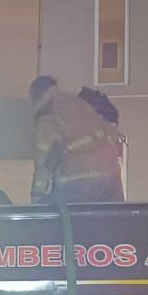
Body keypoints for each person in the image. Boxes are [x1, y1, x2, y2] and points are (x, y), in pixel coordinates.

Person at [27, 76, 124, 204]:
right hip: (109, 179)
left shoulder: (49, 117)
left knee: (60, 212)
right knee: (111, 215)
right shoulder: (82, 106)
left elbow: (42, 163)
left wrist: (36, 198)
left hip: (77, 182)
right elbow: (111, 133)